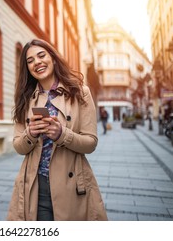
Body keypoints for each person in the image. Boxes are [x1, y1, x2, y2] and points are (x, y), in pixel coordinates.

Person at [7, 39, 107, 221]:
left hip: (72, 186)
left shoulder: (79, 92)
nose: (37, 62)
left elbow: (90, 143)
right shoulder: (25, 98)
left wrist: (62, 134)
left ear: (53, 58)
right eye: (30, 61)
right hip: (36, 188)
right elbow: (18, 147)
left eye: (41, 55)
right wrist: (31, 133)